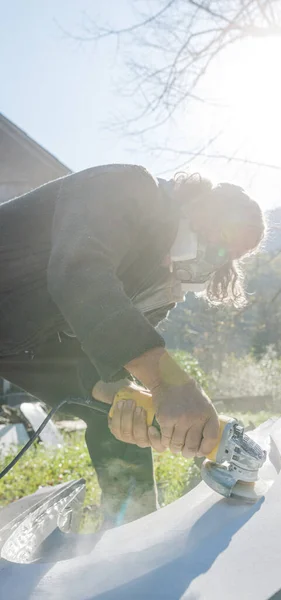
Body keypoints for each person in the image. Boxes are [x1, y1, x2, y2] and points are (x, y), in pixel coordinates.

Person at [0, 164, 266, 525]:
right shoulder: (128, 187)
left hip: (18, 344)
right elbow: (79, 275)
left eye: (228, 256)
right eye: (220, 240)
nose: (215, 258)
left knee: (124, 406)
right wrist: (169, 382)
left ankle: (130, 528)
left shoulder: (161, 291)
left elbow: (107, 358)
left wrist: (140, 406)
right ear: (199, 209)